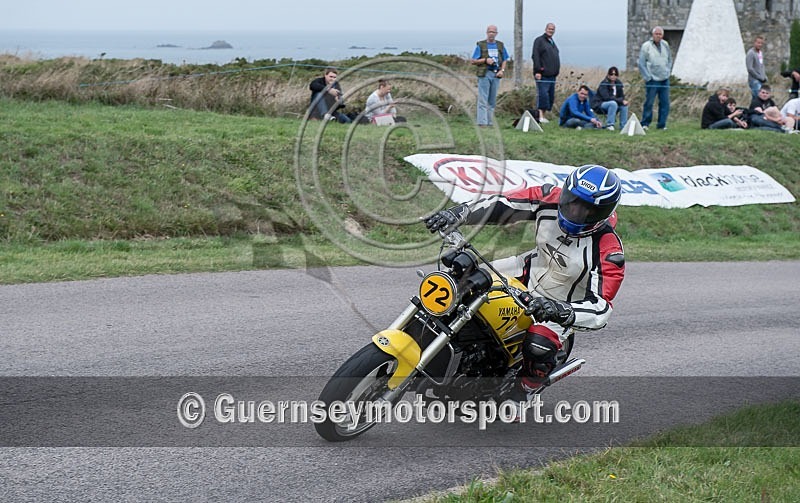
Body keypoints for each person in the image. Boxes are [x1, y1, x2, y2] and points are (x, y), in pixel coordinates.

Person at [424, 165, 625, 408]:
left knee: (539, 345)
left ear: (603, 213)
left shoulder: (609, 249)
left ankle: (526, 390)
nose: (575, 211)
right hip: (522, 273)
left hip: (558, 304)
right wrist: (459, 213)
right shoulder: (547, 197)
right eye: (572, 201)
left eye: (587, 210)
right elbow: (502, 204)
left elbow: (602, 309)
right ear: (565, 193)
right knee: (460, 281)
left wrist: (562, 311)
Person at [471, 25, 509, 127]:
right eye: (489, 32)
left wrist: (502, 70)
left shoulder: (500, 45)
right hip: (484, 73)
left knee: (492, 100)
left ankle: (490, 122)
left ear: (496, 33)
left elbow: (505, 59)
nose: (491, 33)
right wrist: (485, 60)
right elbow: (473, 61)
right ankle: (482, 122)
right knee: (483, 99)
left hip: (496, 74)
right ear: (486, 33)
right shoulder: (481, 45)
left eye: (493, 32)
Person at [638, 26, 672, 130]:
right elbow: (641, 63)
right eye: (656, 34)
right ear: (653, 35)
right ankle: (645, 123)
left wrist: (668, 71)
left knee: (665, 103)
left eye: (660, 34)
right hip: (652, 79)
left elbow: (670, 59)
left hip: (664, 79)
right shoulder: (646, 46)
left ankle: (661, 125)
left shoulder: (665, 44)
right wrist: (648, 77)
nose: (658, 36)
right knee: (649, 102)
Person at [531, 23, 560, 124]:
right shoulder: (539, 41)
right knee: (543, 95)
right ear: (545, 29)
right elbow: (535, 56)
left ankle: (544, 115)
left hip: (552, 75)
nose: (551, 31)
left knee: (550, 96)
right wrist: (538, 70)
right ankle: (540, 116)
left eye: (553, 29)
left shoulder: (551, 42)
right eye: (549, 29)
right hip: (543, 75)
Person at [591, 66, 629, 130]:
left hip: (615, 103)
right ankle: (610, 125)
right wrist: (620, 101)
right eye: (611, 74)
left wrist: (622, 101)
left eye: (615, 74)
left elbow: (622, 96)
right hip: (600, 104)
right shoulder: (604, 84)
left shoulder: (619, 84)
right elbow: (607, 98)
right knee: (613, 103)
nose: (613, 76)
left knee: (624, 106)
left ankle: (623, 126)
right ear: (608, 75)